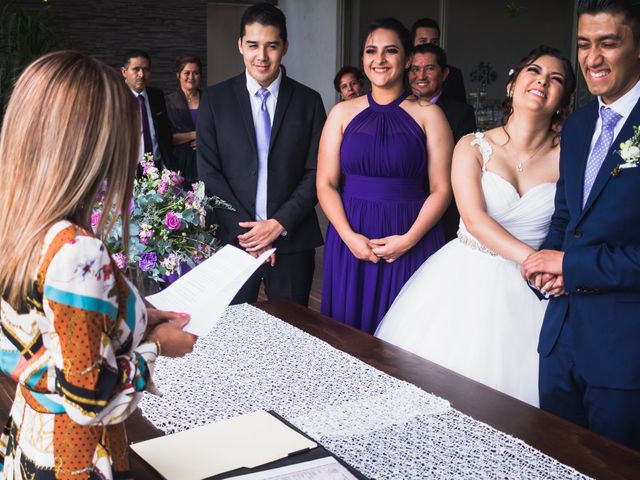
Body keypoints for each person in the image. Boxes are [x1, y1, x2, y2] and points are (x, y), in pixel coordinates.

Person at [0, 51, 196, 478]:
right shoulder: (76, 251)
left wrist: (136, 316)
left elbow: (40, 341)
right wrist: (157, 345)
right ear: (94, 144)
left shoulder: (13, 221)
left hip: (29, 437)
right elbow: (90, 400)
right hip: (76, 457)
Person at [376, 46, 576, 407]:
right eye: (534, 71)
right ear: (513, 84)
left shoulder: (571, 158)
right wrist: (538, 262)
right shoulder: (472, 145)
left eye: (556, 78)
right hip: (465, 280)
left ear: (565, 99)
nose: (542, 81)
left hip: (535, 294)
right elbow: (474, 219)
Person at [522, 0, 640, 450]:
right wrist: (543, 266)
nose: (592, 58)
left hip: (623, 352)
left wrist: (573, 267)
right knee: (556, 460)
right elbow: (566, 216)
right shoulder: (577, 125)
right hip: (559, 340)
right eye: (585, 44)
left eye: (608, 44)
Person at [318, 18, 452, 334]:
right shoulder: (341, 113)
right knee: (347, 337)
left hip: (410, 236)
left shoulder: (429, 115)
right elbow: (325, 183)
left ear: (406, 59)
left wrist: (408, 241)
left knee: (405, 339)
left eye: (390, 51)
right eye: (371, 51)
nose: (379, 59)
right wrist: (349, 238)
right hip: (351, 238)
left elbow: (442, 189)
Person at [197, 3, 326, 306]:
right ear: (240, 45)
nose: (262, 56)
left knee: (292, 333)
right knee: (231, 334)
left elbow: (316, 171)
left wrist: (278, 224)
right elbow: (208, 171)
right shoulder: (215, 100)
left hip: (292, 240)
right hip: (232, 240)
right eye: (253, 45)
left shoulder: (309, 101)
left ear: (285, 47)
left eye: (272, 46)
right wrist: (248, 234)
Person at [409, 43, 477, 241]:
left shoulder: (461, 113)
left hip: (443, 212)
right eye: (414, 69)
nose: (420, 76)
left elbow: (462, 170)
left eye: (429, 68)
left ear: (444, 73)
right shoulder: (398, 109)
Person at [121, 49, 175, 173]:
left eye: (146, 69)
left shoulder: (157, 95)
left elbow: (164, 132)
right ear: (124, 72)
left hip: (156, 167)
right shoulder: (115, 98)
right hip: (127, 168)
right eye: (136, 69)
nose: (141, 74)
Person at [166, 54, 203, 185]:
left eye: (195, 73)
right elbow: (164, 138)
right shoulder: (168, 102)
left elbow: (221, 132)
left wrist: (204, 140)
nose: (191, 77)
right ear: (178, 75)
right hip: (178, 164)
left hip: (205, 163)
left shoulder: (210, 100)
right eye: (186, 73)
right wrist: (194, 135)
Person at [411, 17, 467, 103]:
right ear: (412, 43)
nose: (429, 45)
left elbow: (460, 111)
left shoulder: (454, 75)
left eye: (434, 42)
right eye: (423, 41)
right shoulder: (400, 73)